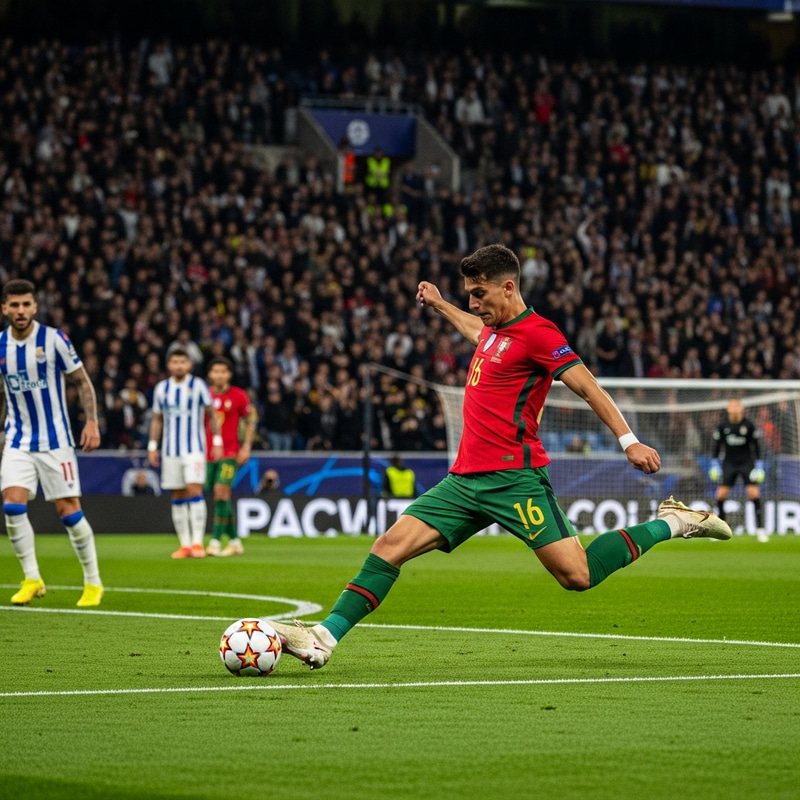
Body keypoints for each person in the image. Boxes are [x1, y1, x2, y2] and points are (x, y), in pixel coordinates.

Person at [265, 244, 732, 670]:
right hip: (464, 480)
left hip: (516, 480)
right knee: (389, 546)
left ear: (508, 287)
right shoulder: (492, 330)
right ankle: (323, 637)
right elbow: (475, 330)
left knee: (578, 575)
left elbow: (588, 385)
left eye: (479, 293)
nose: (474, 303)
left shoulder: (540, 334)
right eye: (469, 294)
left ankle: (674, 521)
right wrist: (443, 303)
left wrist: (629, 440)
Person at [0, 279, 104, 606]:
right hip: (17, 438)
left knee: (68, 510)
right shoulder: (0, 345)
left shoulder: (54, 339)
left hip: (56, 440)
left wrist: (91, 421)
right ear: (4, 308)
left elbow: (81, 381)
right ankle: (32, 578)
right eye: (14, 305)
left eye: (26, 304)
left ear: (35, 306)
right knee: (12, 504)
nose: (20, 310)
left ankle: (93, 582)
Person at [147, 349, 223, 558]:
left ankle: (198, 543)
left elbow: (211, 414)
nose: (179, 365)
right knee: (177, 493)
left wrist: (217, 441)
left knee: (194, 489)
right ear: (169, 365)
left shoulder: (197, 385)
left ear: (189, 365)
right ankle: (185, 544)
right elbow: (157, 418)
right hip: (170, 451)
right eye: (175, 361)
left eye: (182, 361)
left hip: (194, 449)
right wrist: (152, 446)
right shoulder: (162, 388)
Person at [204, 357, 257, 557]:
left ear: (229, 374)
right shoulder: (204, 395)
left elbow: (250, 422)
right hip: (207, 454)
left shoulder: (239, 396)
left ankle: (215, 541)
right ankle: (234, 541)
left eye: (223, 371)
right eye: (215, 371)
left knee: (220, 492)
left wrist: (246, 447)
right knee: (219, 496)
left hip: (230, 453)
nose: (219, 375)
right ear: (210, 374)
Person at [709, 398, 767, 542]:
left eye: (736, 405)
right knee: (721, 495)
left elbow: (756, 447)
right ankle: (721, 530)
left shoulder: (748, 425)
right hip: (729, 463)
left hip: (746, 463)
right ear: (728, 409)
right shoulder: (722, 425)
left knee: (753, 493)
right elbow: (716, 447)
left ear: (741, 408)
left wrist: (759, 465)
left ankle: (760, 530)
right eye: (731, 406)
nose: (734, 408)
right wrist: (714, 464)